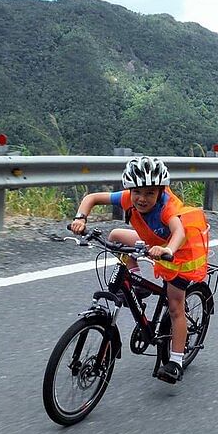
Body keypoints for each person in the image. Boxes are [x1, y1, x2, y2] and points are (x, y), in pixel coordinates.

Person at [70, 156, 209, 384]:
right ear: (130, 190)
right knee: (115, 236)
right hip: (152, 241)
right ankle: (135, 280)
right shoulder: (128, 198)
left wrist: (167, 250)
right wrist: (80, 219)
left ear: (160, 192)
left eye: (150, 193)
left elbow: (179, 232)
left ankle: (175, 360)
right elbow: (92, 198)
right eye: (138, 192)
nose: (142, 199)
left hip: (180, 253)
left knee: (175, 306)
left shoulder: (167, 209)